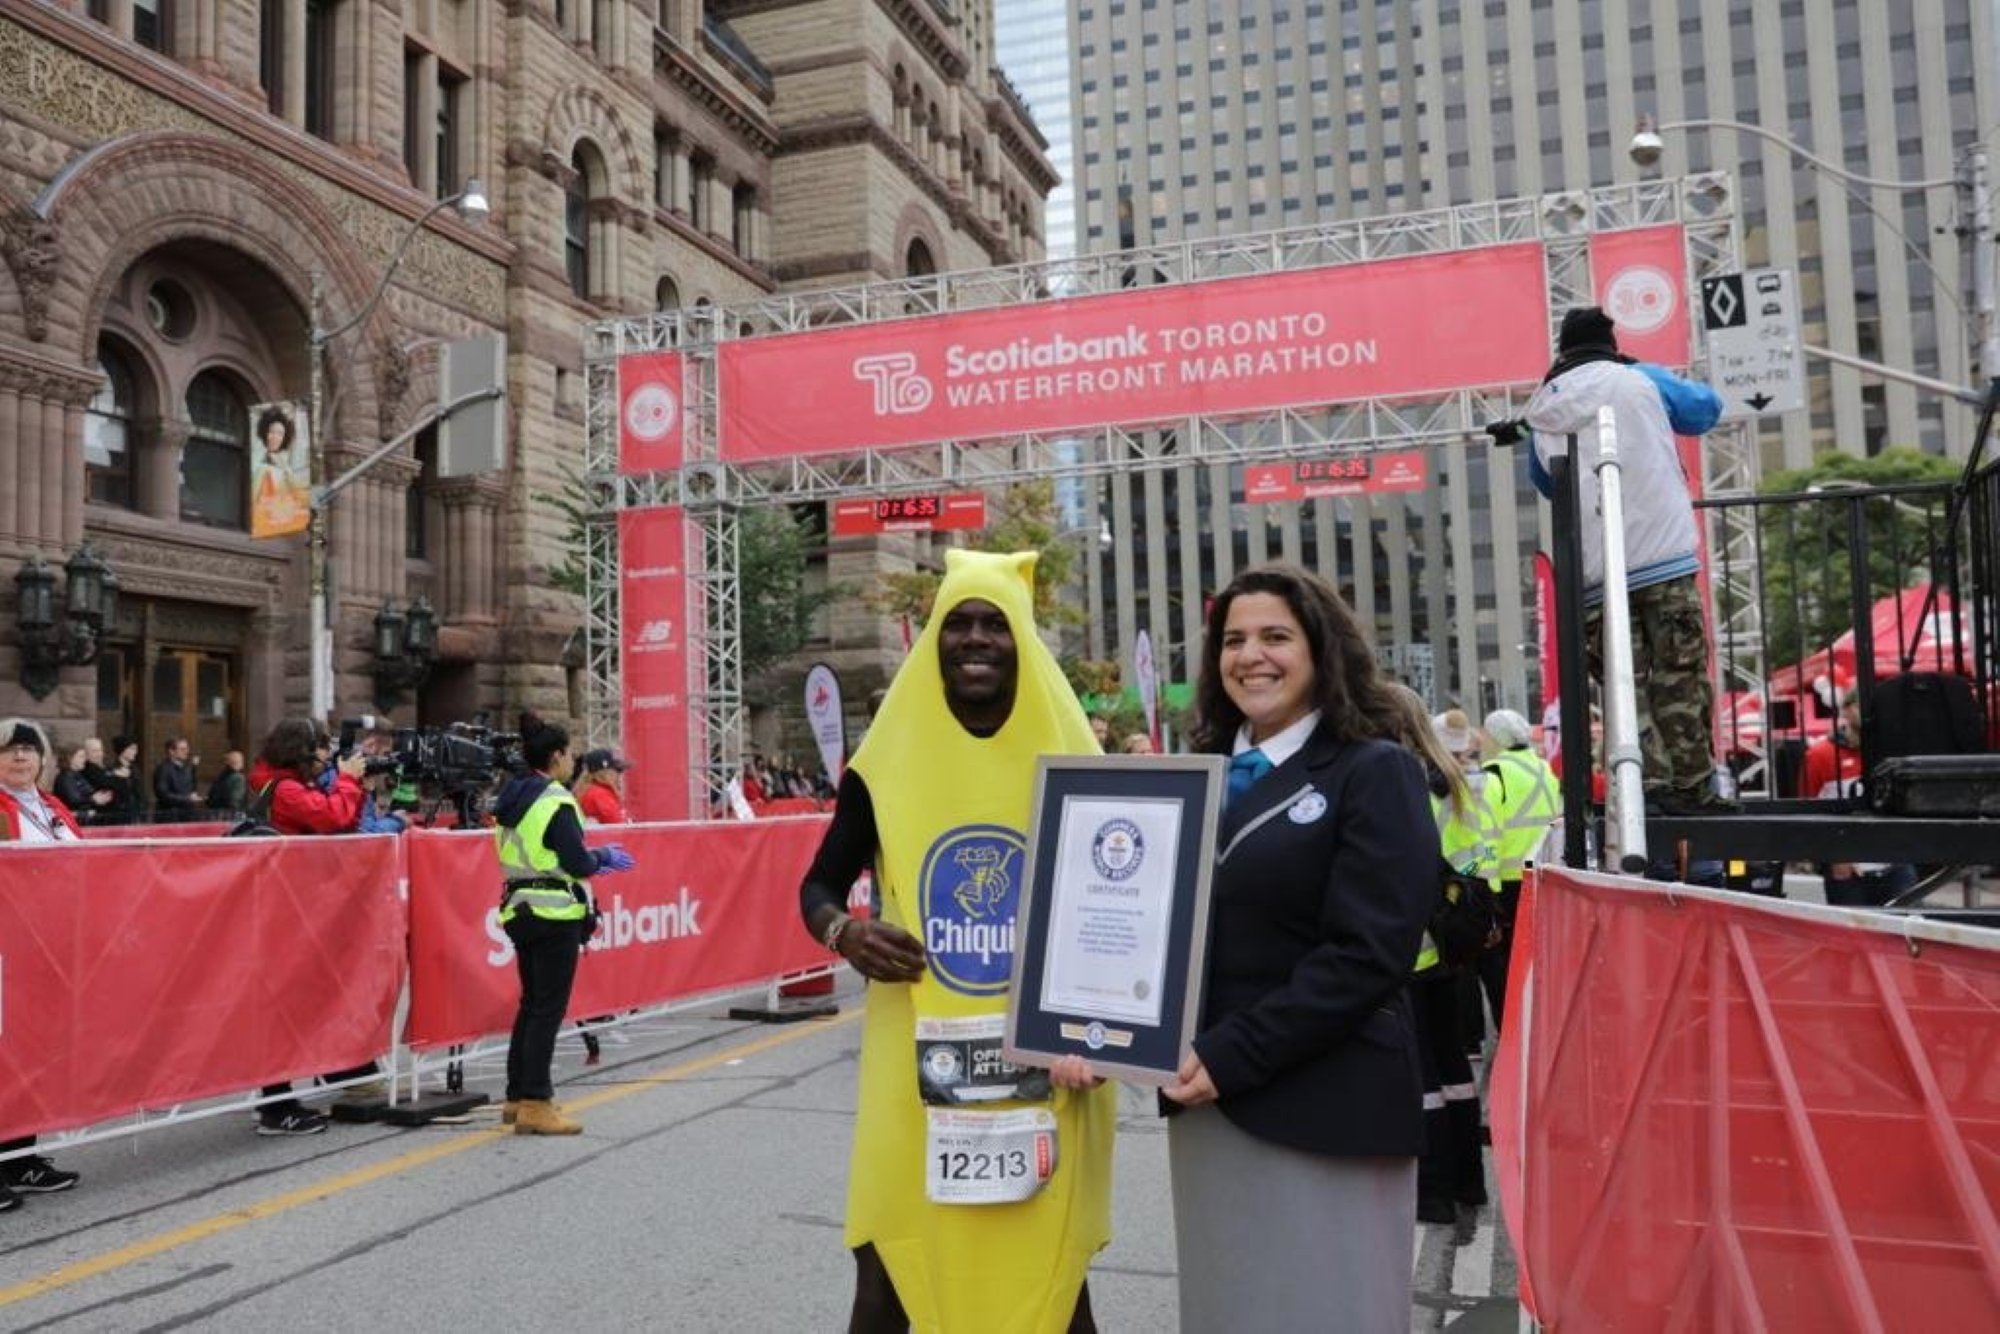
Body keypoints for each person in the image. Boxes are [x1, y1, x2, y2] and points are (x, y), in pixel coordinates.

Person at [797, 549, 1115, 1333]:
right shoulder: (881, 766)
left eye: (995, 625)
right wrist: (847, 933)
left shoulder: (1080, 760)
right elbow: (817, 888)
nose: (975, 639)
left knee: (1054, 1283)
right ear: (935, 637)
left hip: (1047, 1069)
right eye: (958, 623)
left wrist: (1118, 1028)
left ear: (1023, 642)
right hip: (918, 1071)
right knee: (888, 1279)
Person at [1147, 564, 1436, 1333]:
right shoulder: (1193, 780)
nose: (1252, 656)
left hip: (1324, 1110)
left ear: (1321, 651)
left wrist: (1233, 1055)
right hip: (1205, 1102)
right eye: (1233, 640)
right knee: (1227, 1311)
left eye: (1276, 636)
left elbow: (1370, 953)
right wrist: (1092, 1036)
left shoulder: (1375, 770)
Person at [1515, 306, 1729, 815]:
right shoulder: (1640, 380)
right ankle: (1695, 789)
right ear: (1611, 344)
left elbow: (1548, 483)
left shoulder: (1544, 408)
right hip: (1664, 556)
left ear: (1562, 351)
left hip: (1595, 573)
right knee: (1679, 675)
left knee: (1623, 685)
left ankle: (1646, 789)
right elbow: (1705, 409)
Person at [493, 722, 634, 1135]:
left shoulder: (512, 796)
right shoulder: (555, 800)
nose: (574, 761)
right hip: (555, 913)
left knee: (531, 1004)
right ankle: (537, 1102)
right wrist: (600, 857)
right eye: (570, 753)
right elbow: (575, 862)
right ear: (555, 756)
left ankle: (517, 1097)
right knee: (547, 1009)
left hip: (520, 908)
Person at [0, 718, 86, 1212]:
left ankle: (21, 1155)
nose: (20, 757)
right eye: (10, 749)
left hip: (48, 952)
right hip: (4, 950)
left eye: (29, 749)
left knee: (31, 1056)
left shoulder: (53, 806)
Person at [1478, 708, 1559, 1030]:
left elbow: (1488, 837)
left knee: (1501, 964)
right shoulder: (1544, 769)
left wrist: (1485, 884)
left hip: (1506, 883)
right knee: (1538, 958)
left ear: (1496, 738)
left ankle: (1512, 1028)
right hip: (1542, 876)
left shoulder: (1493, 774)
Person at [1799, 690, 1917, 906]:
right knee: (1854, 937)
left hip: (1896, 863)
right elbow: (1810, 812)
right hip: (1849, 871)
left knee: (1907, 935)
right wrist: (1834, 858)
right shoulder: (1820, 756)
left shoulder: (1890, 751)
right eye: (1859, 705)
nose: (1868, 713)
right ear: (1845, 709)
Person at [251, 404, 311, 535]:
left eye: (280, 434)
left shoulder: (285, 466)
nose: (275, 437)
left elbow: (300, 496)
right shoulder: (257, 458)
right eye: (271, 432)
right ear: (265, 432)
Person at [151, 736, 203, 823]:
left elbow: (191, 788)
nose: (187, 752)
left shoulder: (187, 768)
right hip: (170, 817)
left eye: (187, 749)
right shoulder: (163, 769)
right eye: (182, 749)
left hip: (187, 815)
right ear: (171, 751)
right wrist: (187, 798)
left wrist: (193, 796)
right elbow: (163, 795)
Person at [574, 748, 630, 825]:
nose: (619, 776)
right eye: (617, 771)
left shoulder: (592, 790)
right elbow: (621, 827)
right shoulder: (600, 794)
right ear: (601, 775)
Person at [54, 743, 103, 825]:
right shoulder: (65, 777)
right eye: (81, 756)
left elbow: (89, 791)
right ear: (70, 758)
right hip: (73, 823)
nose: (84, 759)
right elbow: (74, 800)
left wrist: (98, 797)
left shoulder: (77, 775)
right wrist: (93, 799)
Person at [99, 735, 143, 825]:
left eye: (135, 749)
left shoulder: (135, 769)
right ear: (123, 750)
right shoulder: (111, 769)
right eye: (132, 749)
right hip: (117, 816)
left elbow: (139, 792)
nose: (135, 752)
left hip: (134, 814)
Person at [207, 749, 249, 821]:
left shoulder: (220, 776)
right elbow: (235, 802)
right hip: (231, 816)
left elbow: (210, 797)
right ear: (238, 763)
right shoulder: (238, 778)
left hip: (216, 815)